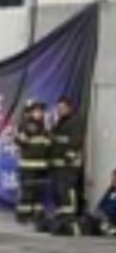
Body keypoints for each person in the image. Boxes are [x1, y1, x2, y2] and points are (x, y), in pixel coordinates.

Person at [49, 97, 85, 236]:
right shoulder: (60, 122)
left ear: (69, 108)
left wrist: (68, 157)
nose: (60, 110)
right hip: (59, 164)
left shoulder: (75, 121)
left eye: (62, 108)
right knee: (59, 191)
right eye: (58, 108)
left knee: (67, 190)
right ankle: (62, 217)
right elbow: (56, 140)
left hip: (69, 164)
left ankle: (70, 218)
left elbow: (75, 141)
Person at [15, 99, 51, 224]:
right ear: (30, 112)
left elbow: (47, 144)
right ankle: (23, 215)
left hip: (40, 165)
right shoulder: (26, 125)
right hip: (28, 165)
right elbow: (20, 141)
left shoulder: (43, 126)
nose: (40, 113)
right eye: (37, 110)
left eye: (41, 110)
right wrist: (27, 133)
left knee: (38, 191)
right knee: (28, 190)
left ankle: (37, 215)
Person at [93, 169, 116, 236]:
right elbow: (101, 202)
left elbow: (113, 207)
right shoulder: (110, 190)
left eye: (114, 179)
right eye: (112, 179)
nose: (112, 181)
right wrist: (99, 211)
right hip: (105, 217)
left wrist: (105, 213)